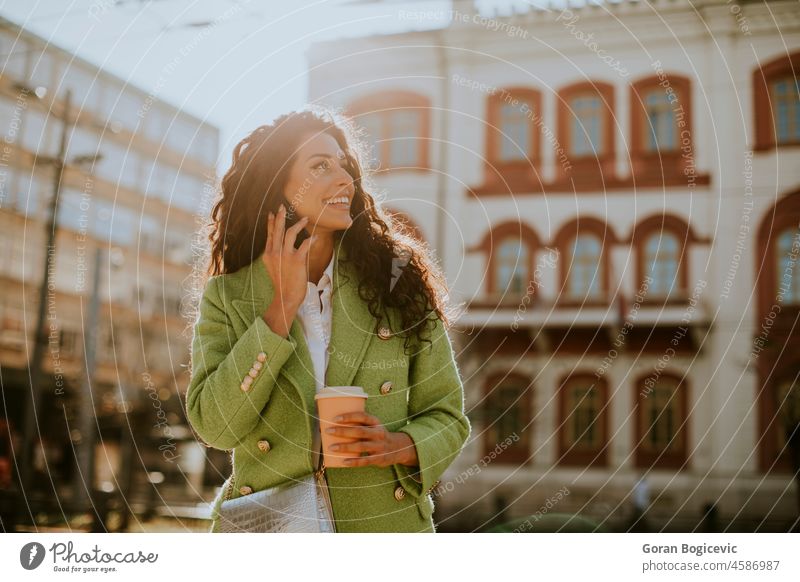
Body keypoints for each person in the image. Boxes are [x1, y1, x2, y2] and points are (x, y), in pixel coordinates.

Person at [186, 106, 471, 533]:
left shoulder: (396, 283)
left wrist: (396, 446)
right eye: (321, 165)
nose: (345, 179)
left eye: (344, 165)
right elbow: (215, 426)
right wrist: (279, 311)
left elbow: (448, 416)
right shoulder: (227, 297)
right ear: (276, 184)